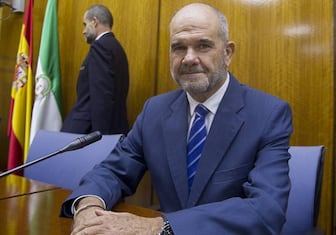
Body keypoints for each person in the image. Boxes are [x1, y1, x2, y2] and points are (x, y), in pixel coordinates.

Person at [61, 2, 293, 234]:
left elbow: (266, 210)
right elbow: (113, 170)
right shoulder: (155, 110)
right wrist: (88, 204)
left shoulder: (268, 114)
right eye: (178, 47)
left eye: (203, 45)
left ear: (228, 53)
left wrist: (159, 226)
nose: (189, 58)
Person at [61, 4, 129, 135]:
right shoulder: (117, 49)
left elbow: (101, 96)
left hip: (88, 132)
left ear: (94, 21)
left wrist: (99, 138)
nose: (83, 31)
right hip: (114, 129)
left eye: (85, 24)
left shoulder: (100, 47)